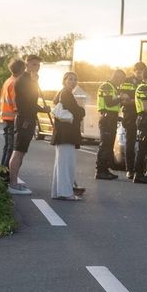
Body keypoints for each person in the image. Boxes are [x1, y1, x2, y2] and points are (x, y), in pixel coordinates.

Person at [7, 55, 49, 195]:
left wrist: (43, 109)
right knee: (18, 150)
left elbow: (31, 102)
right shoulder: (23, 81)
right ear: (27, 65)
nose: (36, 68)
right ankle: (12, 184)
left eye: (38, 65)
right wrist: (34, 83)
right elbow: (29, 101)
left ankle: (15, 182)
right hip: (24, 119)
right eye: (33, 65)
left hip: (29, 118)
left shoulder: (29, 81)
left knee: (22, 151)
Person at [50, 71, 85, 200]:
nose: (73, 82)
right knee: (66, 165)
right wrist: (82, 110)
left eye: (75, 80)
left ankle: (58, 192)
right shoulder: (66, 94)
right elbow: (78, 111)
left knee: (61, 164)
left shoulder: (61, 93)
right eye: (70, 79)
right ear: (64, 80)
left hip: (62, 134)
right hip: (66, 134)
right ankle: (66, 193)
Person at [95, 69, 126, 180]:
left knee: (108, 146)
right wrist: (121, 98)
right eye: (121, 79)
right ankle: (100, 170)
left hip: (111, 119)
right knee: (105, 146)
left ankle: (105, 169)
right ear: (116, 76)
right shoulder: (107, 87)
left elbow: (112, 106)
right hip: (106, 120)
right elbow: (109, 103)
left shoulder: (112, 87)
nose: (121, 82)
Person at [0, 58, 24, 182]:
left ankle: (3, 173)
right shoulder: (16, 83)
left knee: (7, 147)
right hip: (12, 118)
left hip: (6, 117)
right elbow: (16, 103)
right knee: (11, 149)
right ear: (21, 69)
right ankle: (5, 176)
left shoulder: (8, 81)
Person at [119, 65, 141, 178]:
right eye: (138, 72)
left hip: (142, 115)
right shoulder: (127, 81)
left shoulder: (145, 82)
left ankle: (141, 169)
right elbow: (122, 97)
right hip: (130, 114)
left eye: (142, 72)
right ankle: (130, 169)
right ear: (134, 71)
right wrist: (137, 102)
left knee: (144, 143)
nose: (140, 74)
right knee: (130, 142)